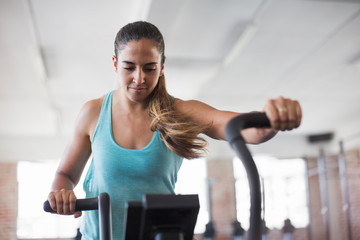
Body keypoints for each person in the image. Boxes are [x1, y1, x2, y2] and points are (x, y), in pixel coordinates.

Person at [47, 21, 302, 240]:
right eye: (129, 67)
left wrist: (271, 120)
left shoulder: (178, 112)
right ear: (115, 64)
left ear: (162, 65)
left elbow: (241, 129)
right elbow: (65, 173)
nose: (139, 78)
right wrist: (61, 191)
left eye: (150, 67)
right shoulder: (93, 113)